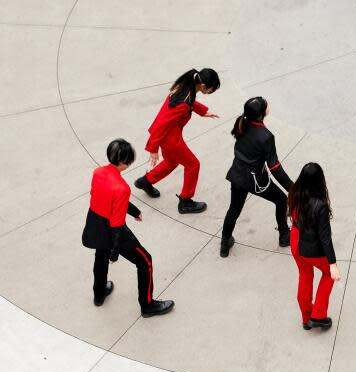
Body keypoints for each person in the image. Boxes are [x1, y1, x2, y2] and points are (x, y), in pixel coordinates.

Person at [82, 138, 174, 318]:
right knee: (145, 261)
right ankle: (147, 305)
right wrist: (115, 252)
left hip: (95, 224)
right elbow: (117, 225)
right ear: (125, 163)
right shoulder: (122, 188)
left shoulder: (98, 172)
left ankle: (99, 294)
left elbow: (107, 197)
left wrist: (133, 211)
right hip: (113, 231)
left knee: (100, 256)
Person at [134, 68, 220, 212]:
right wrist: (153, 149)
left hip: (169, 134)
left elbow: (189, 103)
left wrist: (203, 111)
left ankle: (145, 181)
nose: (211, 91)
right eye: (211, 89)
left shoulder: (186, 86)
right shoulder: (184, 100)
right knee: (193, 165)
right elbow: (162, 122)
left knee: (171, 162)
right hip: (170, 137)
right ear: (204, 86)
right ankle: (185, 201)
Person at [219, 97, 294, 258]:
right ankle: (284, 235)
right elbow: (275, 168)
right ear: (262, 114)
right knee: (281, 200)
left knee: (234, 209)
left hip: (237, 175)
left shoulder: (242, 124)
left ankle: (224, 243)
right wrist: (292, 188)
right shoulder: (266, 136)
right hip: (255, 180)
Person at [287, 161, 340, 330]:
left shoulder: (295, 193)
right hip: (311, 248)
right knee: (328, 274)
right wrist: (333, 264)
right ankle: (318, 315)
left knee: (304, 275)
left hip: (295, 241)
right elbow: (325, 237)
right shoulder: (320, 205)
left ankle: (306, 318)